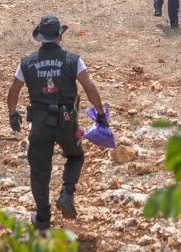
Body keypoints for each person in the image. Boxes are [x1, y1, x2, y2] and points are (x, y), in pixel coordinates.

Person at [7, 16, 108, 230]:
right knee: (75, 156)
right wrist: (100, 113)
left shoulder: (27, 62)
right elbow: (89, 87)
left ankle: (43, 219)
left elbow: (13, 91)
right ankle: (66, 193)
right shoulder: (72, 60)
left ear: (41, 38)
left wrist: (12, 114)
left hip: (40, 124)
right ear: (60, 36)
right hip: (67, 122)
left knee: (40, 170)